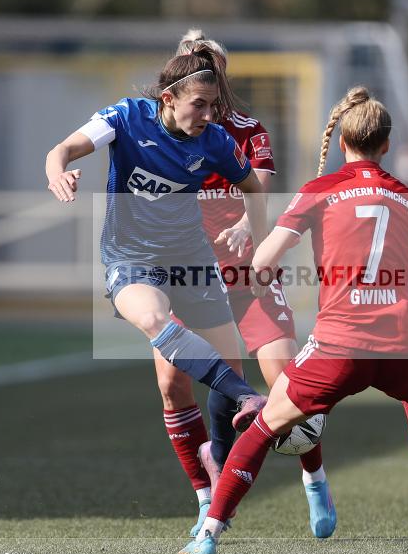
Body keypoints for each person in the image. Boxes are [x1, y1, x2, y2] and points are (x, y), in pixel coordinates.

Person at [178, 86, 408, 554]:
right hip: (400, 343)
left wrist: (259, 277)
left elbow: (264, 259)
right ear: (385, 145)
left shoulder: (320, 189)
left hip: (339, 346)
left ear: (342, 142)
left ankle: (209, 534)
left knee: (262, 427)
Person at [44, 43, 269, 457]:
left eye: (214, 106)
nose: (208, 115)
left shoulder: (215, 141)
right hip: (131, 258)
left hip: (191, 259)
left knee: (227, 371)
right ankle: (240, 410)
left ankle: (217, 467)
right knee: (153, 320)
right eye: (199, 105)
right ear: (167, 98)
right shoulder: (126, 117)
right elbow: (60, 150)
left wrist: (259, 251)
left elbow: (254, 190)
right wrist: (58, 173)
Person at [154, 30, 336, 539]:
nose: (203, 67)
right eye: (193, 59)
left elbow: (260, 185)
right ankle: (206, 496)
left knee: (286, 381)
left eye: (210, 60)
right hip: (186, 273)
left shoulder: (247, 129)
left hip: (247, 272)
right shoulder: (159, 130)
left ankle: (315, 479)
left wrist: (245, 225)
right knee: (175, 384)